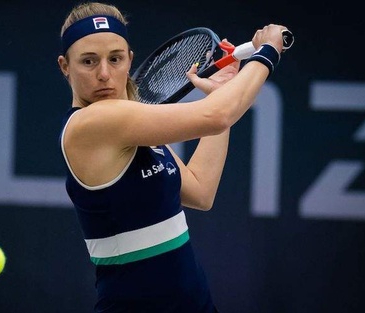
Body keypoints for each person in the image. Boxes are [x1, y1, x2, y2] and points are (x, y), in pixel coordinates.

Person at [57, 2, 289, 312]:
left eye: (115, 59)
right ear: (65, 66)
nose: (104, 73)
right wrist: (268, 52)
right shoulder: (91, 124)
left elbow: (200, 191)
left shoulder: (134, 126)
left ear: (129, 60)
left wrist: (219, 92)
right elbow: (218, 115)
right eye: (89, 61)